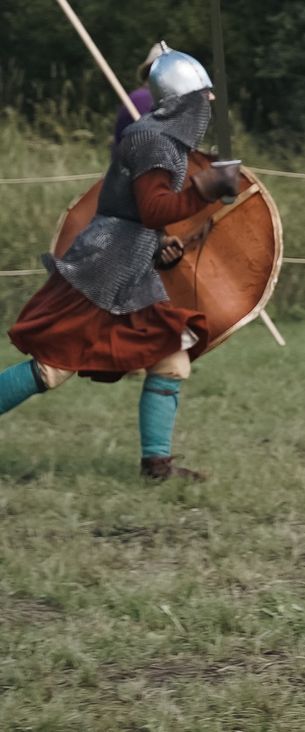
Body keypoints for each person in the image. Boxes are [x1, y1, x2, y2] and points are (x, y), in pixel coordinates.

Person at [0, 49, 243, 481]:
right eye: (204, 95)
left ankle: (157, 466)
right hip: (102, 268)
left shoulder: (159, 138)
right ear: (183, 98)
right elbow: (152, 209)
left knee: (171, 356)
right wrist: (207, 188)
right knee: (53, 367)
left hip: (129, 266)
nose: (209, 103)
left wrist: (160, 246)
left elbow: (142, 216)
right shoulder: (151, 140)